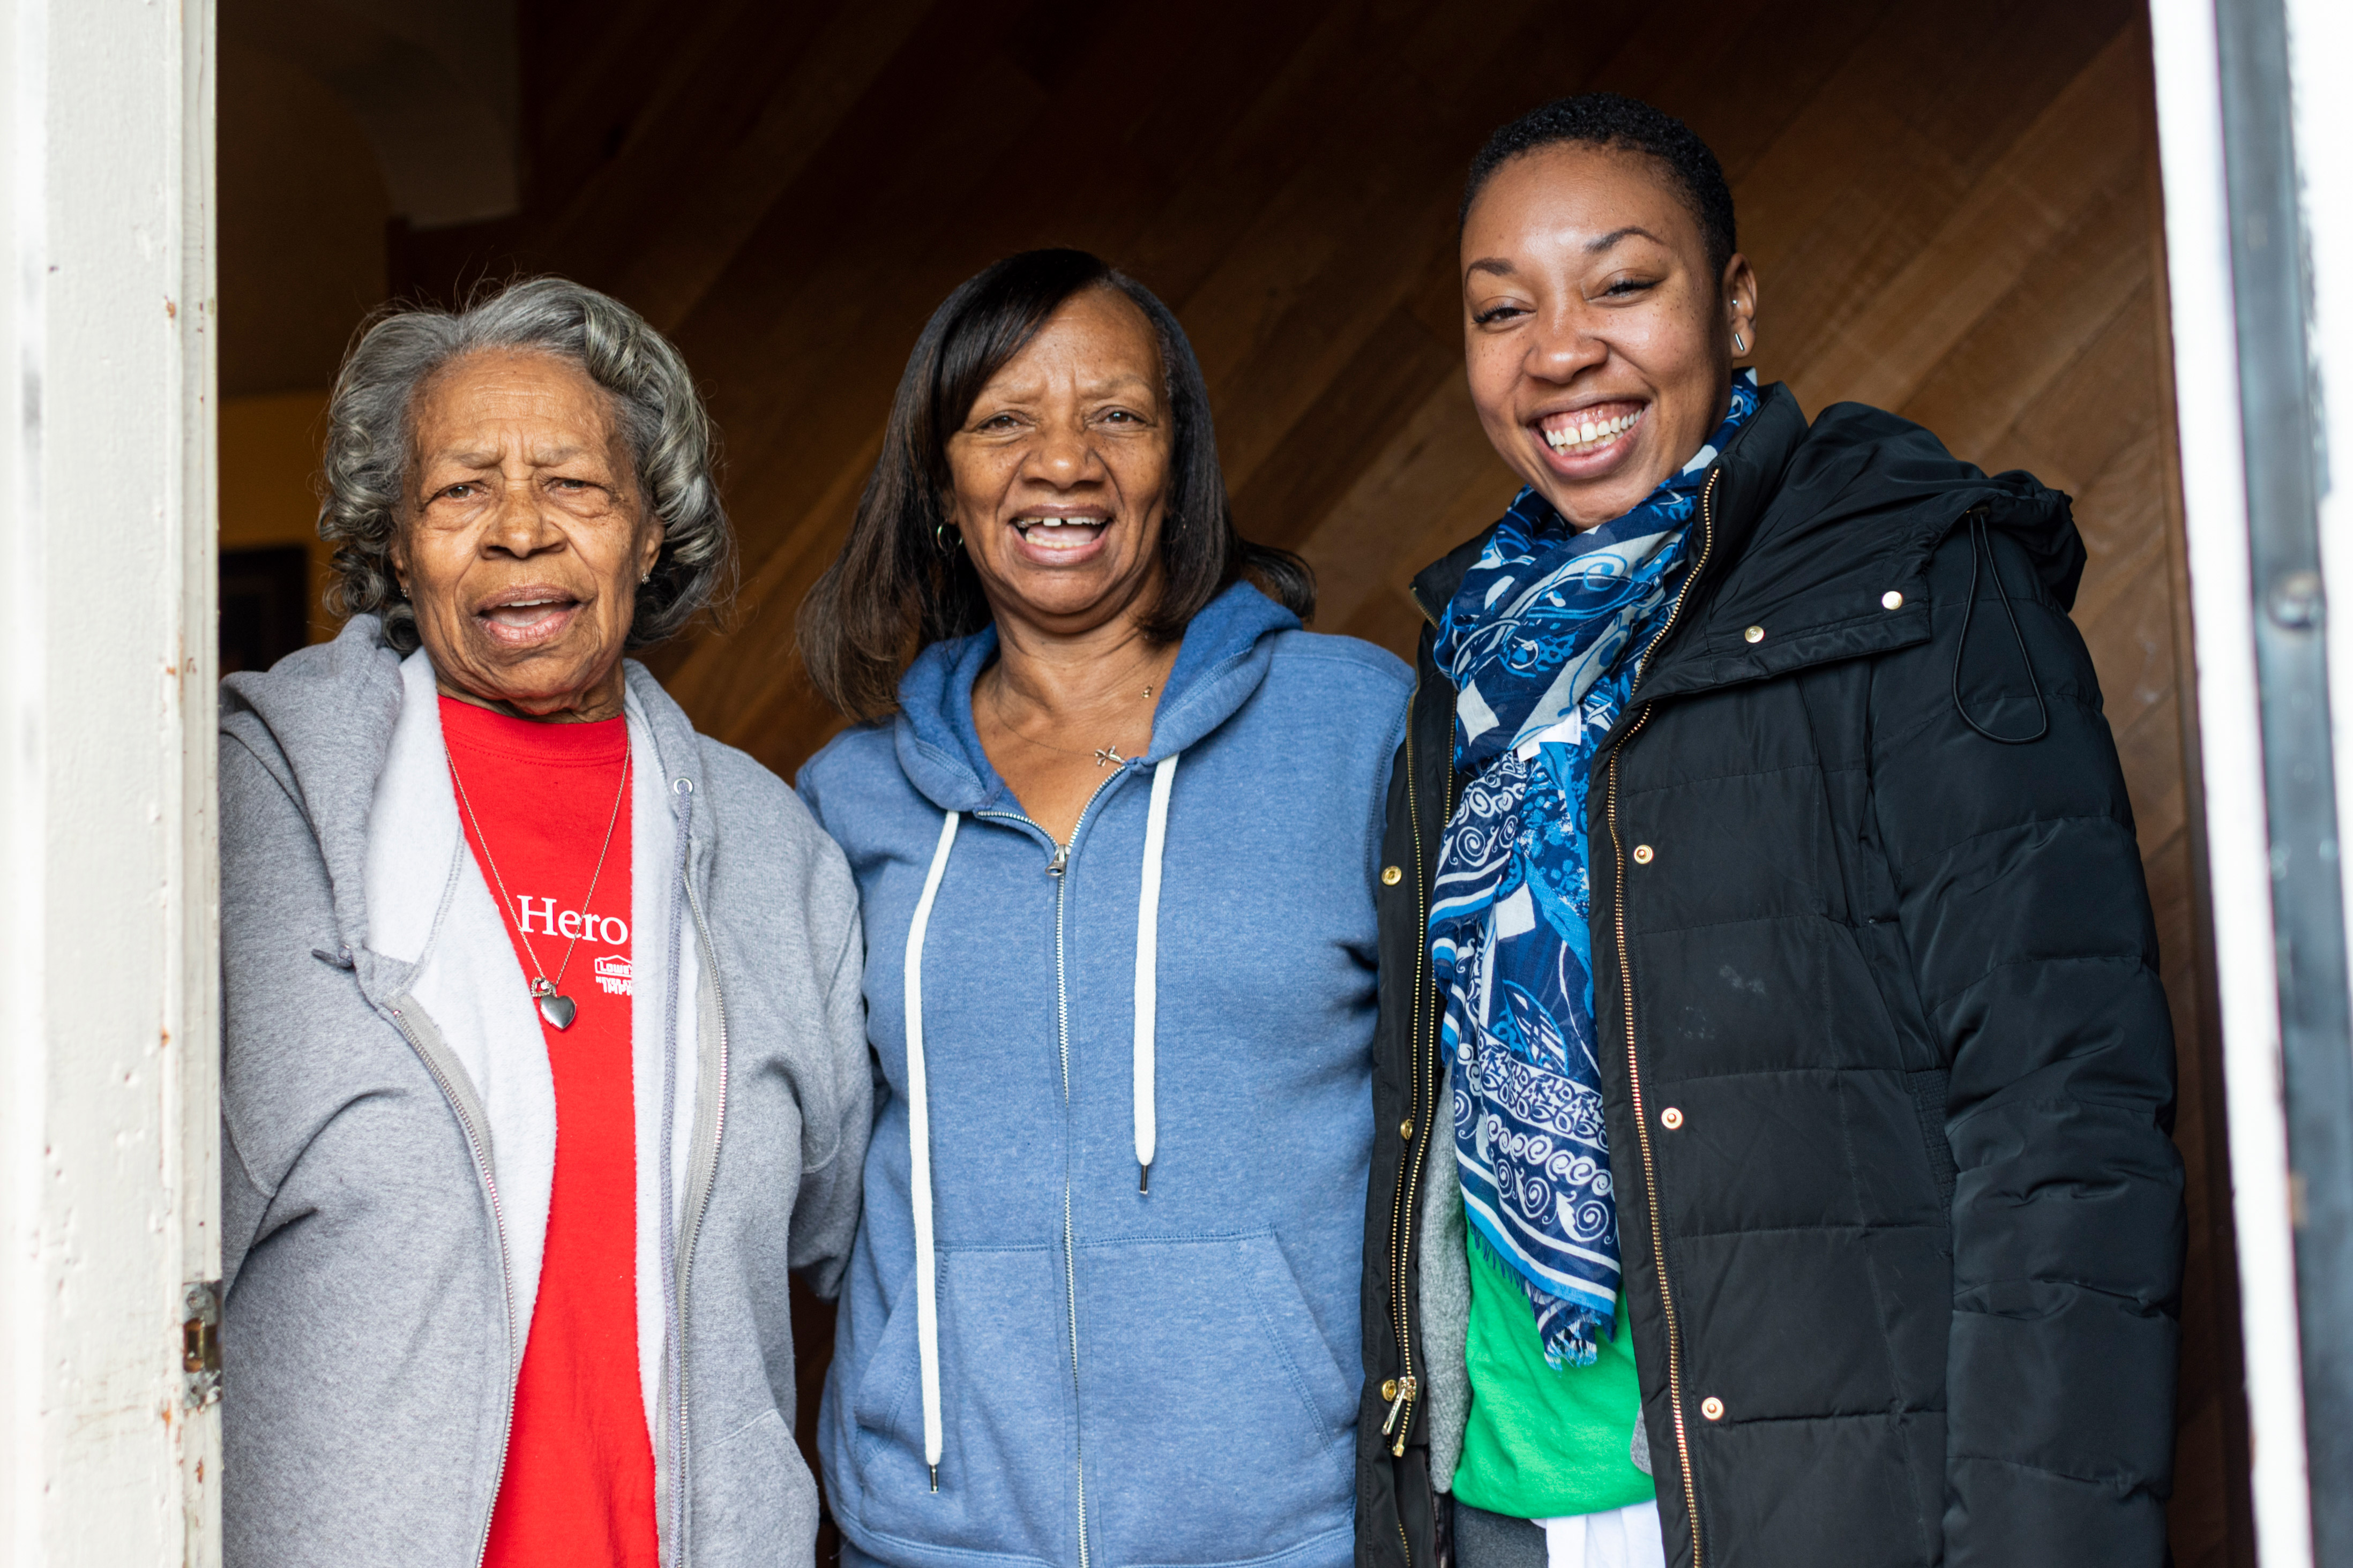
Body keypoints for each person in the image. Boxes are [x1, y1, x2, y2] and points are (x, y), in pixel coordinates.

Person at [1358, 95, 2183, 1568]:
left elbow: (2066, 1125)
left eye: (1624, 284)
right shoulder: (1469, 668)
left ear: (1734, 305)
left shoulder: (1923, 591)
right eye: (1503, 310)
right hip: (1507, 1511)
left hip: (1820, 1509)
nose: (1559, 349)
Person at [217, 277, 871, 1568]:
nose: (518, 531)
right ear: (398, 541)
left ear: (649, 531)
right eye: (462, 489)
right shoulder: (249, 819)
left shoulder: (772, 852)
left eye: (573, 484)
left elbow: (850, 1229)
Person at [796, 248, 1410, 1568]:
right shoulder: (850, 805)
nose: (1062, 463)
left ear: (1178, 464)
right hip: (933, 1535)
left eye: (1116, 416)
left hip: (1286, 1534)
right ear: (941, 488)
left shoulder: (1356, 727)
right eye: (1004, 419)